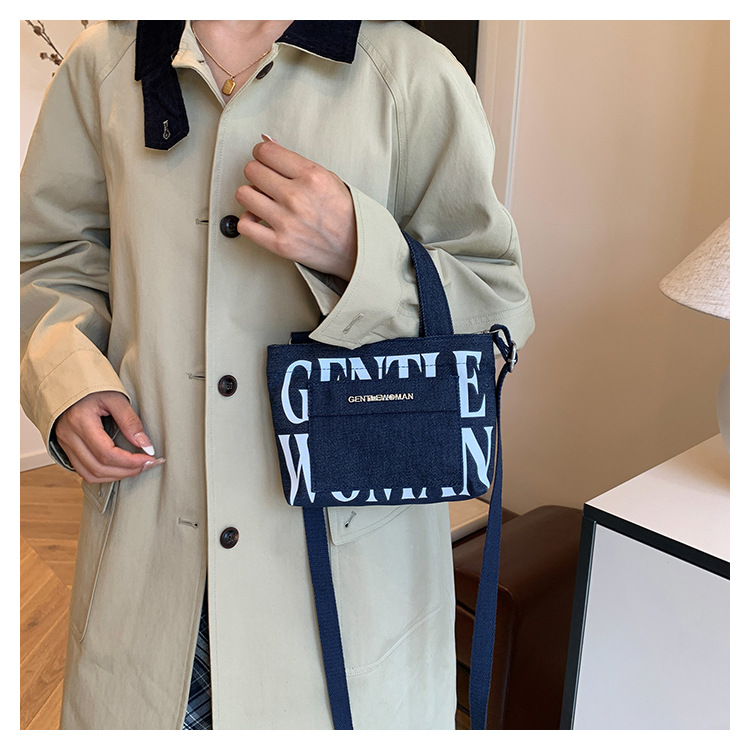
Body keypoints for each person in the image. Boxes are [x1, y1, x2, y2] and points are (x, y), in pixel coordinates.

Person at [20, 20, 534, 730]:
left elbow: (496, 310)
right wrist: (68, 378)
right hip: (148, 572)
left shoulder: (412, 75)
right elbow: (50, 256)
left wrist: (359, 251)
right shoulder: (101, 66)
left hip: (343, 597)